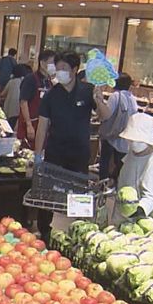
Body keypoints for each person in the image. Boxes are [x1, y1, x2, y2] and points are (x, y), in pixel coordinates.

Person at [35, 51, 94, 243]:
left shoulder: (88, 91)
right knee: (48, 194)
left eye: (64, 68)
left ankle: (80, 233)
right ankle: (44, 230)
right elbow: (42, 126)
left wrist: (100, 100)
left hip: (79, 153)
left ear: (75, 70)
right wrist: (37, 156)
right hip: (55, 152)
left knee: (79, 195)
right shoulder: (51, 95)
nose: (59, 72)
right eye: (57, 68)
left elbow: (106, 115)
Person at [114, 113, 153, 222]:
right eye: (130, 140)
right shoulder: (133, 153)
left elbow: (150, 196)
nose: (133, 143)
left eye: (137, 141)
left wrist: (138, 211)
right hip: (122, 210)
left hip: (138, 218)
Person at [93, 72, 138, 182]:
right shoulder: (132, 97)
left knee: (105, 160)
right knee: (120, 161)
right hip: (125, 134)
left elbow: (106, 114)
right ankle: (118, 182)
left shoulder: (115, 96)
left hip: (111, 134)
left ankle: (103, 182)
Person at [18, 49, 55, 150]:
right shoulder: (30, 79)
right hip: (30, 124)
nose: (54, 67)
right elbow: (23, 102)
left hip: (43, 126)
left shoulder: (49, 82)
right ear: (42, 63)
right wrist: (29, 125)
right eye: (52, 63)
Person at [1, 63, 29, 133]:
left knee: (7, 129)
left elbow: (3, 94)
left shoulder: (11, 81)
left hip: (9, 109)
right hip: (18, 110)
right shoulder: (24, 82)